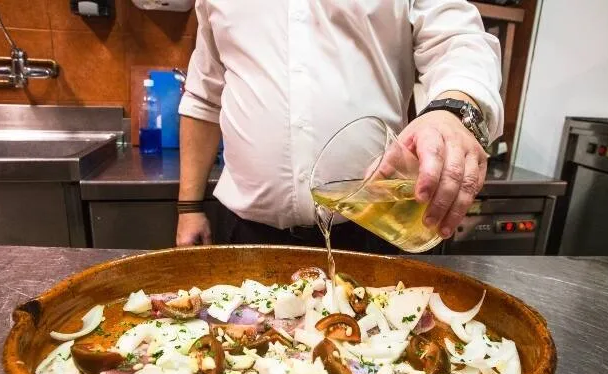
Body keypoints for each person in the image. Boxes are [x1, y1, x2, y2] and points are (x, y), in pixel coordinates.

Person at [176, 0, 503, 253]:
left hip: (374, 226)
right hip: (249, 234)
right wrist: (188, 208)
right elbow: (204, 96)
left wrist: (453, 110)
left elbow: (457, 38)